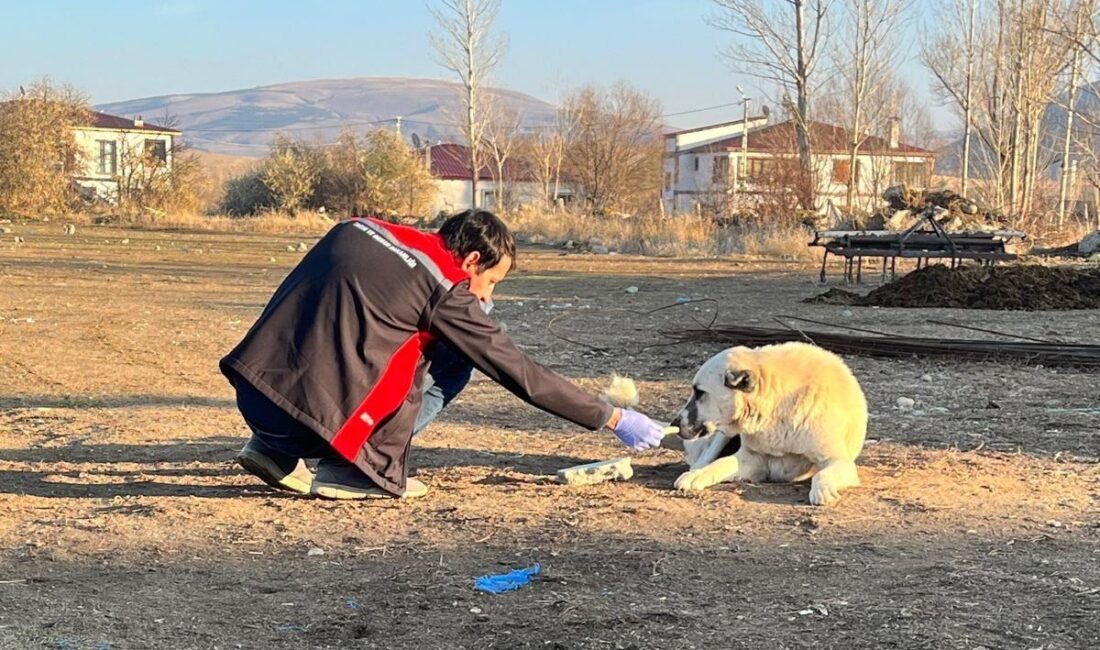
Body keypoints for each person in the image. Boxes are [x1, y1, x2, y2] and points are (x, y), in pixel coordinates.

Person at [220, 209, 666, 499]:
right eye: (492, 283)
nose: (487, 296)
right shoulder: (445, 288)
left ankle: (274, 451)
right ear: (471, 260)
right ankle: (355, 469)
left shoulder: (357, 228)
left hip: (256, 397)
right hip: (315, 422)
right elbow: (520, 372)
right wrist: (613, 418)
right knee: (456, 357)